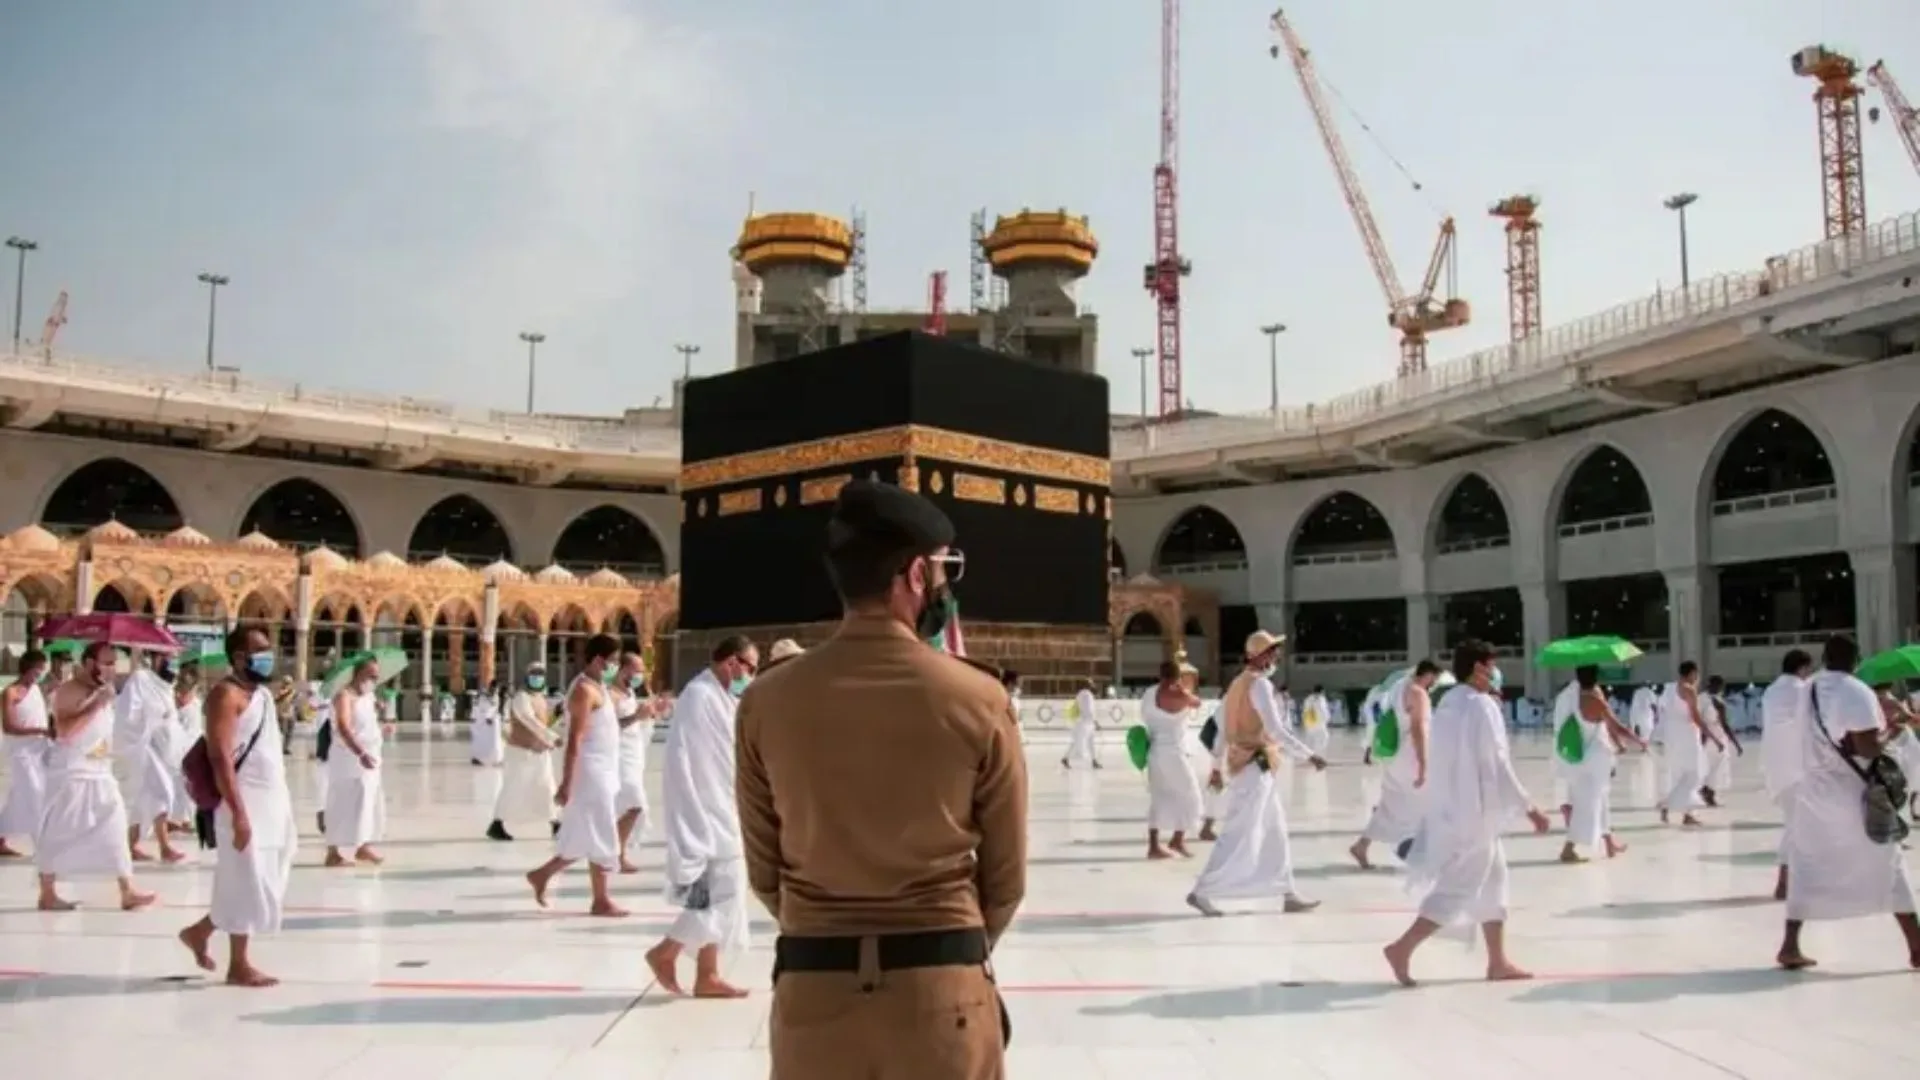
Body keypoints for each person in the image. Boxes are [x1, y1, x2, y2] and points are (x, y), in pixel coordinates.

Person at [735, 478, 1026, 1077]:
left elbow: (766, 874)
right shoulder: (978, 698)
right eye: (944, 570)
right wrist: (948, 951)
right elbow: (1005, 880)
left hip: (814, 996)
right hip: (944, 996)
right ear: (916, 576)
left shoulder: (767, 701)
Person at [1384, 639, 1552, 987]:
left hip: (1454, 812)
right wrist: (1529, 808)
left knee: (1495, 881)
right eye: (1491, 665)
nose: (1494, 673)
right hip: (1476, 817)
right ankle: (1402, 948)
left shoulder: (1449, 702)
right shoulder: (1481, 706)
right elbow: (1498, 766)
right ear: (1478, 667)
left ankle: (1497, 961)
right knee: (1457, 888)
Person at [1777, 634, 1920, 970]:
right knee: (1888, 863)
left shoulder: (1807, 689)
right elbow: (1868, 747)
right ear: (1856, 661)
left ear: (1825, 658)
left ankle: (1789, 945)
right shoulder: (1857, 692)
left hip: (1812, 793)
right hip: (1850, 794)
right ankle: (1917, 947)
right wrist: (1895, 728)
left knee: (1808, 866)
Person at [176, 626, 296, 986]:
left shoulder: (258, 694)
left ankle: (201, 930)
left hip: (272, 800)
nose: (268, 656)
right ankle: (238, 964)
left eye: (269, 649)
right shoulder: (226, 696)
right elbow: (220, 758)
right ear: (239, 657)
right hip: (242, 801)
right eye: (260, 650)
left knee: (265, 876)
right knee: (245, 877)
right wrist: (239, 813)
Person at [645, 633, 759, 998]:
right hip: (711, 812)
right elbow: (696, 764)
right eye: (750, 668)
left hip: (725, 808)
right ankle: (666, 951)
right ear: (732, 662)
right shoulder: (700, 696)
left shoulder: (719, 696)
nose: (751, 676)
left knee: (712, 895)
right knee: (728, 893)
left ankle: (707, 975)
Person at [1186, 629, 1327, 918]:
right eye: (1272, 650)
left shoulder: (1237, 684)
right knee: (1238, 832)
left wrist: (1216, 767)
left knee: (1275, 832)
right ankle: (1202, 891)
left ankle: (1286, 891)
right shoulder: (1259, 685)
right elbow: (1276, 730)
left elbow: (1222, 728)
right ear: (1261, 656)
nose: (1276, 655)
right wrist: (1309, 754)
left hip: (1251, 766)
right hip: (1253, 767)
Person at [37, 641, 156, 911]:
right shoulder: (69, 690)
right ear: (90, 663)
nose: (112, 668)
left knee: (115, 826)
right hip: (72, 774)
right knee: (59, 832)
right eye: (107, 662)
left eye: (115, 662)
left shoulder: (104, 691)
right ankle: (47, 893)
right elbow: (65, 730)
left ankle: (127, 890)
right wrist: (95, 704)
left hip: (100, 772)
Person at [527, 634, 630, 916]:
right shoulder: (584, 690)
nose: (614, 667)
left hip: (603, 771)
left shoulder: (600, 688)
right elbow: (576, 739)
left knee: (588, 834)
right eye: (612, 661)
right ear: (598, 660)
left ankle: (544, 875)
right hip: (591, 773)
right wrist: (566, 783)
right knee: (600, 833)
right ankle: (601, 899)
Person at [1350, 660, 1440, 870]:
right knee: (1426, 800)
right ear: (1428, 675)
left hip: (1396, 756)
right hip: (1410, 755)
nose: (1433, 684)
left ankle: (1362, 845)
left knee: (1390, 804)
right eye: (1433, 679)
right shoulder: (1418, 693)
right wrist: (1423, 763)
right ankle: (1415, 849)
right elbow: (1419, 730)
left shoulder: (1399, 687)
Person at [1559, 665, 1644, 863]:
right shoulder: (1595, 700)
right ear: (1596, 678)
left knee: (1602, 801)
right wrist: (1637, 740)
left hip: (1586, 755)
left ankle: (1609, 843)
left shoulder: (1574, 696)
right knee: (1589, 805)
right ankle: (1568, 849)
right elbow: (1616, 725)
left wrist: (1618, 743)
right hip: (1595, 757)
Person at [116, 651, 183, 864]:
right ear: (156, 659)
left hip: (163, 751)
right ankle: (164, 847)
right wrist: (152, 720)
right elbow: (128, 714)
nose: (173, 663)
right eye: (168, 658)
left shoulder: (167, 685)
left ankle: (130, 844)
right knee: (163, 794)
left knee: (145, 799)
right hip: (144, 748)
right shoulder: (140, 679)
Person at [1760, 649, 1814, 901]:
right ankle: (1784, 882)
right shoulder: (1801, 690)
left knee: (1799, 825)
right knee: (1798, 826)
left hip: (1776, 768)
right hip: (1797, 768)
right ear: (1802, 668)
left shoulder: (1771, 690)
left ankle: (1795, 880)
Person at [324, 657, 386, 867]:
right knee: (344, 801)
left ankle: (362, 845)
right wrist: (360, 752)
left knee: (367, 800)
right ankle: (334, 851)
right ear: (358, 674)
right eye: (371, 676)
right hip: (349, 757)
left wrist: (382, 730)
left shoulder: (368, 696)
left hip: (371, 756)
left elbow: (366, 725)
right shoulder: (344, 696)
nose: (374, 680)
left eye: (376, 677)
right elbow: (343, 726)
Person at [487, 664, 559, 842]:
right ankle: (497, 824)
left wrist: (556, 718)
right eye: (534, 674)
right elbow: (529, 720)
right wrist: (551, 737)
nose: (538, 678)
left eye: (540, 674)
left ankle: (556, 823)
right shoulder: (521, 697)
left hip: (539, 752)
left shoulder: (540, 698)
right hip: (521, 753)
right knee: (514, 787)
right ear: (527, 677)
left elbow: (544, 721)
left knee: (547, 787)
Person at [612, 651, 669, 874]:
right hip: (617, 759)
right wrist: (637, 716)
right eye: (636, 670)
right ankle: (615, 853)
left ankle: (617, 853)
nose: (639, 675)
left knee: (628, 807)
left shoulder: (629, 693)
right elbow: (610, 727)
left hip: (633, 758)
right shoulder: (611, 695)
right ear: (623, 669)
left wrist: (652, 713)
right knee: (635, 805)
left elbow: (636, 724)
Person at [1143, 659, 1205, 859]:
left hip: (1153, 751)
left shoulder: (1149, 694)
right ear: (1177, 676)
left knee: (1158, 796)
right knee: (1190, 795)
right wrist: (1182, 688)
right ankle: (1177, 839)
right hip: (1174, 752)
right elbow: (1197, 703)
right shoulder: (1179, 695)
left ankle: (1153, 845)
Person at [0, 649, 52, 858]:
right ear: (27, 668)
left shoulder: (37, 690)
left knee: (19, 799)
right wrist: (39, 731)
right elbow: (8, 727)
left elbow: (41, 716)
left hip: (40, 751)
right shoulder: (10, 692)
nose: (39, 674)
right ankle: (43, 844)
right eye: (37, 669)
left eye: (41, 669)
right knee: (34, 793)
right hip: (21, 753)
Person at [1657, 662, 1716, 827]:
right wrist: (1711, 734)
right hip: (1687, 735)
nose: (1697, 678)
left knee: (1681, 775)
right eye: (1696, 674)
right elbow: (1695, 717)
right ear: (1691, 673)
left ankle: (1687, 814)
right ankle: (1666, 804)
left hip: (1673, 736)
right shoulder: (1689, 690)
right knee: (1695, 774)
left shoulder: (1670, 689)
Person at [1699, 674, 1742, 807]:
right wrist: (1736, 743)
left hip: (1703, 735)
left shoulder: (1700, 698)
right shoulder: (1719, 702)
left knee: (1706, 765)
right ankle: (1709, 793)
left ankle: (1705, 789)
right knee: (1717, 766)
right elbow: (1725, 725)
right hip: (1716, 736)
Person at [1063, 679, 1100, 768]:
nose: (1093, 685)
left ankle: (1094, 760)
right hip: (1086, 723)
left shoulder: (1080, 694)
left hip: (1083, 722)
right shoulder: (1087, 695)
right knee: (1081, 742)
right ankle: (1066, 758)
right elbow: (1089, 710)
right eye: (1091, 683)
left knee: (1088, 742)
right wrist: (1095, 721)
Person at [470, 682, 504, 766]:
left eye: (497, 689)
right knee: (479, 740)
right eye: (494, 688)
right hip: (482, 721)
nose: (495, 690)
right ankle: (478, 758)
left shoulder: (496, 697)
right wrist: (482, 717)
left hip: (493, 722)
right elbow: (477, 708)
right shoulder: (483, 697)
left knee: (495, 741)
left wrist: (490, 717)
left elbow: (495, 708)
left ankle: (497, 759)